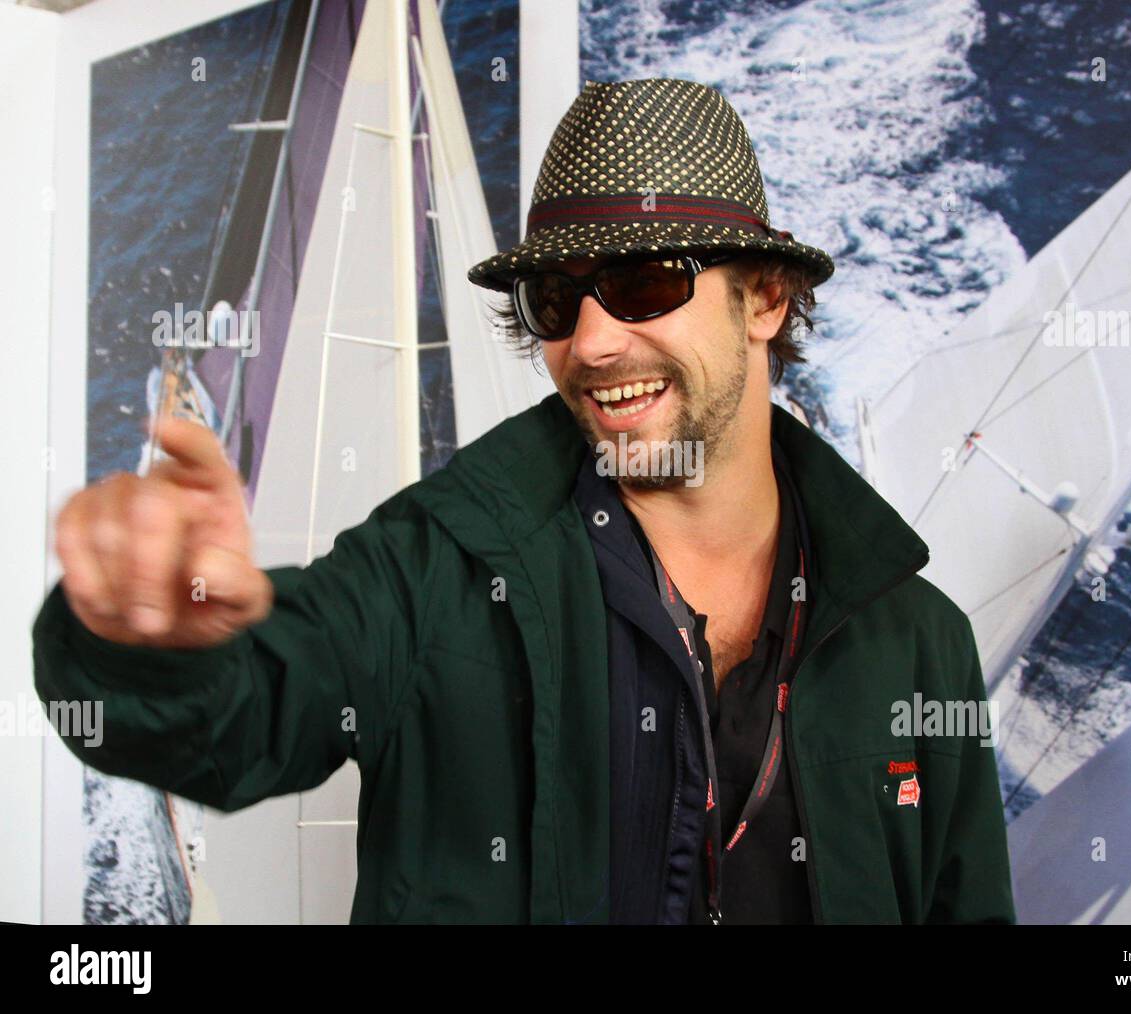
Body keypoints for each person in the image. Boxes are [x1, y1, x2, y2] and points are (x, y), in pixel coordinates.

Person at [32, 77, 1015, 925]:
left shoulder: (915, 641)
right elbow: (240, 718)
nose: (588, 344)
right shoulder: (433, 571)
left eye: (640, 282)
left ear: (763, 298)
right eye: (555, 298)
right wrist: (144, 632)